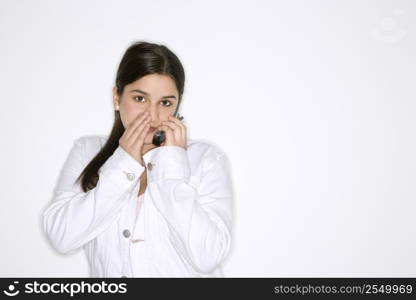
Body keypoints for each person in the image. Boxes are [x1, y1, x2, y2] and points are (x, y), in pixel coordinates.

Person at [42, 41, 234, 277]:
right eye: (140, 99)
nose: (152, 116)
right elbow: (62, 237)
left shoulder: (205, 159)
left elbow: (208, 257)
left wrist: (170, 168)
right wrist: (123, 162)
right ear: (117, 96)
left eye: (165, 103)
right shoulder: (87, 151)